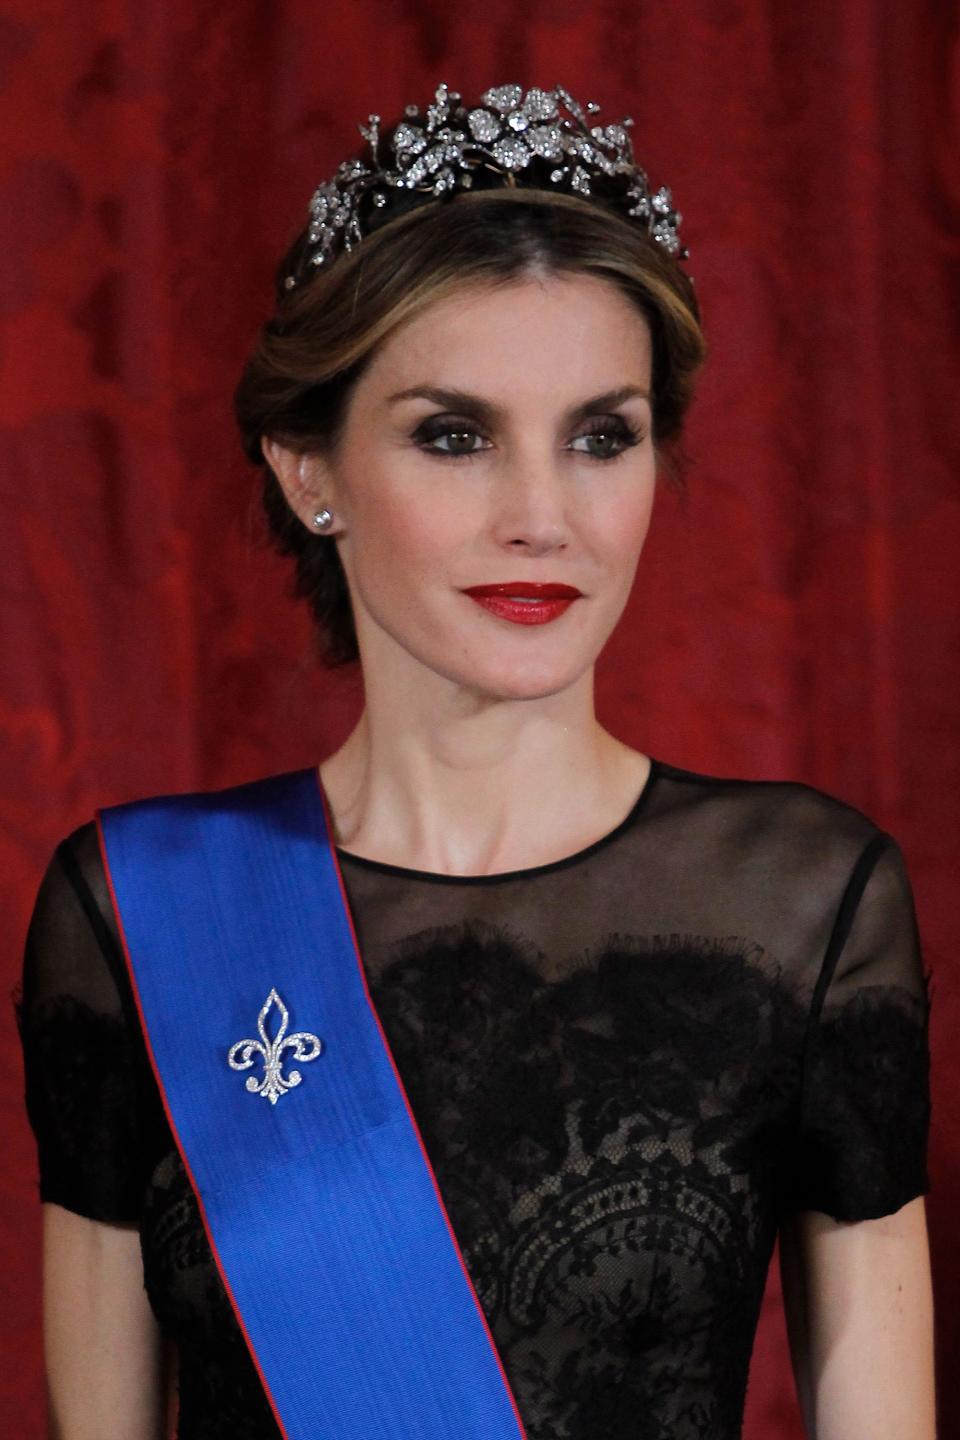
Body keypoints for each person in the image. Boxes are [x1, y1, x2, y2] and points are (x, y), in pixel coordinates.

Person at [17, 82, 935, 1440]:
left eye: (599, 435)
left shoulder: (809, 906)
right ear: (304, 468)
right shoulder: (141, 912)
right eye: (455, 435)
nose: (543, 516)